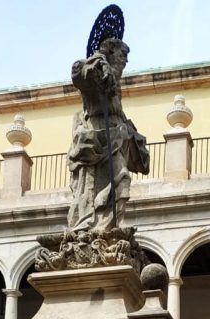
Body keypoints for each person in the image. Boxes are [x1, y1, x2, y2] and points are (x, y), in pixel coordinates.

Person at [68, 37, 149, 234]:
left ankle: (111, 227)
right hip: (98, 138)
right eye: (123, 55)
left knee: (121, 181)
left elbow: (121, 119)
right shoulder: (96, 75)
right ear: (111, 52)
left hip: (115, 139)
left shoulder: (115, 86)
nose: (126, 60)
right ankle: (101, 228)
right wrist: (98, 62)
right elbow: (78, 73)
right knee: (119, 179)